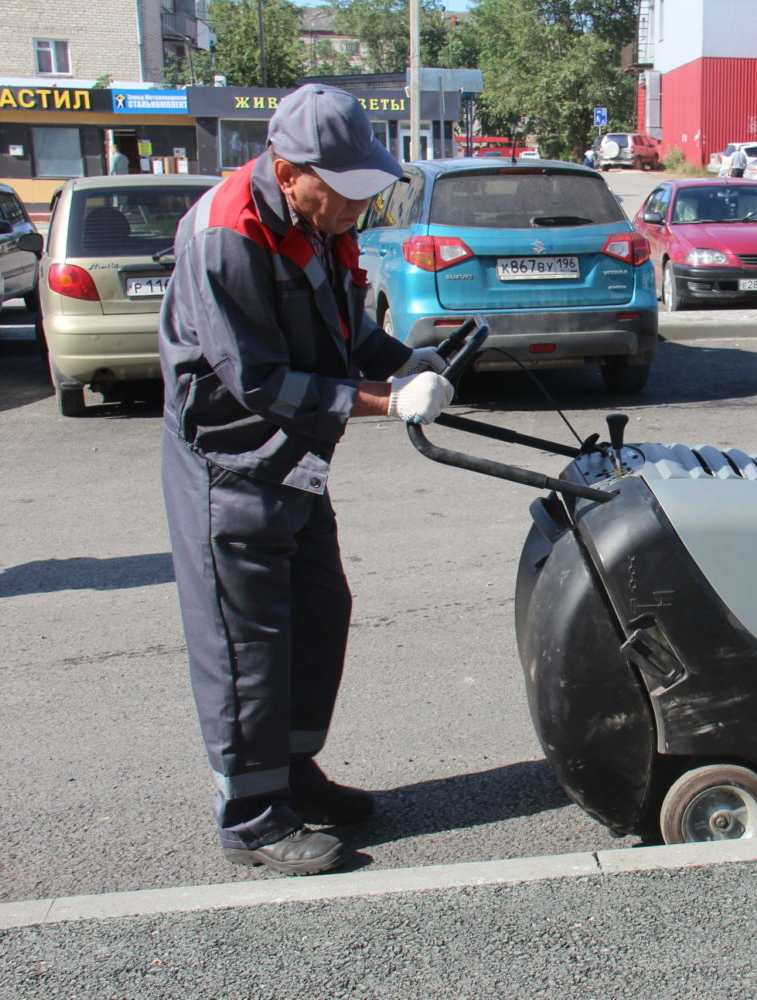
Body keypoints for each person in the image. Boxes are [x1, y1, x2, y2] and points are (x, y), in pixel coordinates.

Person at [158, 84, 455, 877]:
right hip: (233, 461)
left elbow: (345, 328)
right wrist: (386, 403)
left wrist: (408, 361)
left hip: (294, 460)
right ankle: (252, 817)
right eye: (345, 189)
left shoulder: (319, 222)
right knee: (245, 641)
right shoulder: (226, 236)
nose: (359, 205)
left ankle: (291, 776)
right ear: (289, 172)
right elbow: (256, 379)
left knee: (320, 611)